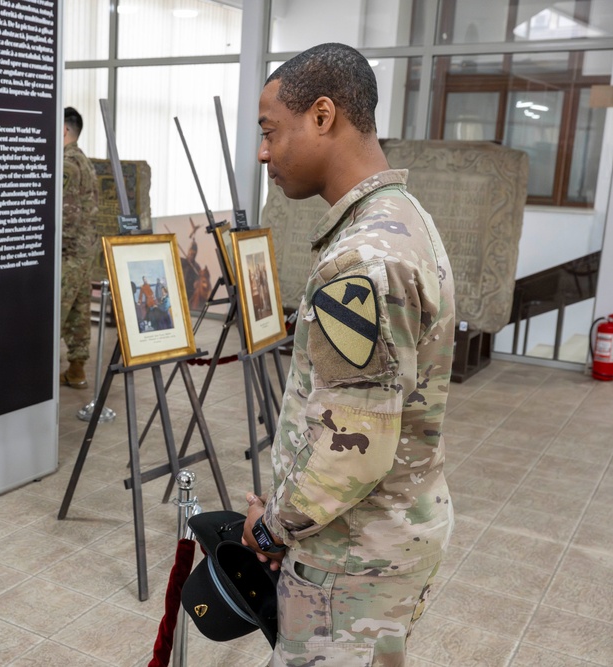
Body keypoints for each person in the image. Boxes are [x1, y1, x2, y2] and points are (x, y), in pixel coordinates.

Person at [241, 43, 455, 667]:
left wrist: (274, 525)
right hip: (385, 539)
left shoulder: (361, 258)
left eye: (270, 131)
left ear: (323, 116)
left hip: (352, 557)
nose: (263, 152)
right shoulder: (404, 219)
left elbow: (351, 450)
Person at [59, 106, 100, 389]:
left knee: (56, 313)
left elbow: (66, 214)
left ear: (64, 130)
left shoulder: (66, 165)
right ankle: (76, 370)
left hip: (69, 252)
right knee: (79, 311)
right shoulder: (84, 161)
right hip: (85, 252)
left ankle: (38, 377)